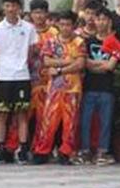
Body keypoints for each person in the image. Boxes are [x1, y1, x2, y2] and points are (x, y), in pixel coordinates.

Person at [0, 0, 37, 164]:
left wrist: (20, 63)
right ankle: (0, 148)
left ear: (19, 8)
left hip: (22, 75)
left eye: (13, 6)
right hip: (3, 76)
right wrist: (5, 64)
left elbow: (31, 51)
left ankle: (23, 148)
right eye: (7, 5)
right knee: (2, 113)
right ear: (3, 7)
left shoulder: (29, 28)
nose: (10, 9)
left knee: (22, 114)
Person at [33, 11, 86, 164]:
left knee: (70, 123)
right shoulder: (51, 41)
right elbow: (47, 62)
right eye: (62, 24)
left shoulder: (79, 42)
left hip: (73, 89)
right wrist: (68, 60)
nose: (65, 28)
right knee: (48, 121)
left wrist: (60, 70)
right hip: (54, 88)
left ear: (73, 26)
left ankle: (65, 153)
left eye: (68, 24)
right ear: (58, 25)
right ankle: (42, 152)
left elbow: (80, 64)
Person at [77, 7, 118, 165]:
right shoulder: (88, 41)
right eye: (98, 19)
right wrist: (102, 64)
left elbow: (111, 66)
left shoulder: (114, 42)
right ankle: (85, 151)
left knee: (105, 121)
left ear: (109, 22)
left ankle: (102, 151)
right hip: (89, 87)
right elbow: (84, 63)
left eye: (104, 19)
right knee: (86, 121)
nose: (100, 22)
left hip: (107, 88)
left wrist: (97, 65)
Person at [28, 0, 57, 156]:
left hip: (48, 83)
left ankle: (42, 149)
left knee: (45, 118)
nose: (39, 16)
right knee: (25, 117)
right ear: (31, 14)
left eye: (42, 12)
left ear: (47, 14)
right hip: (28, 81)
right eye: (36, 12)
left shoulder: (54, 33)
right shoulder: (25, 30)